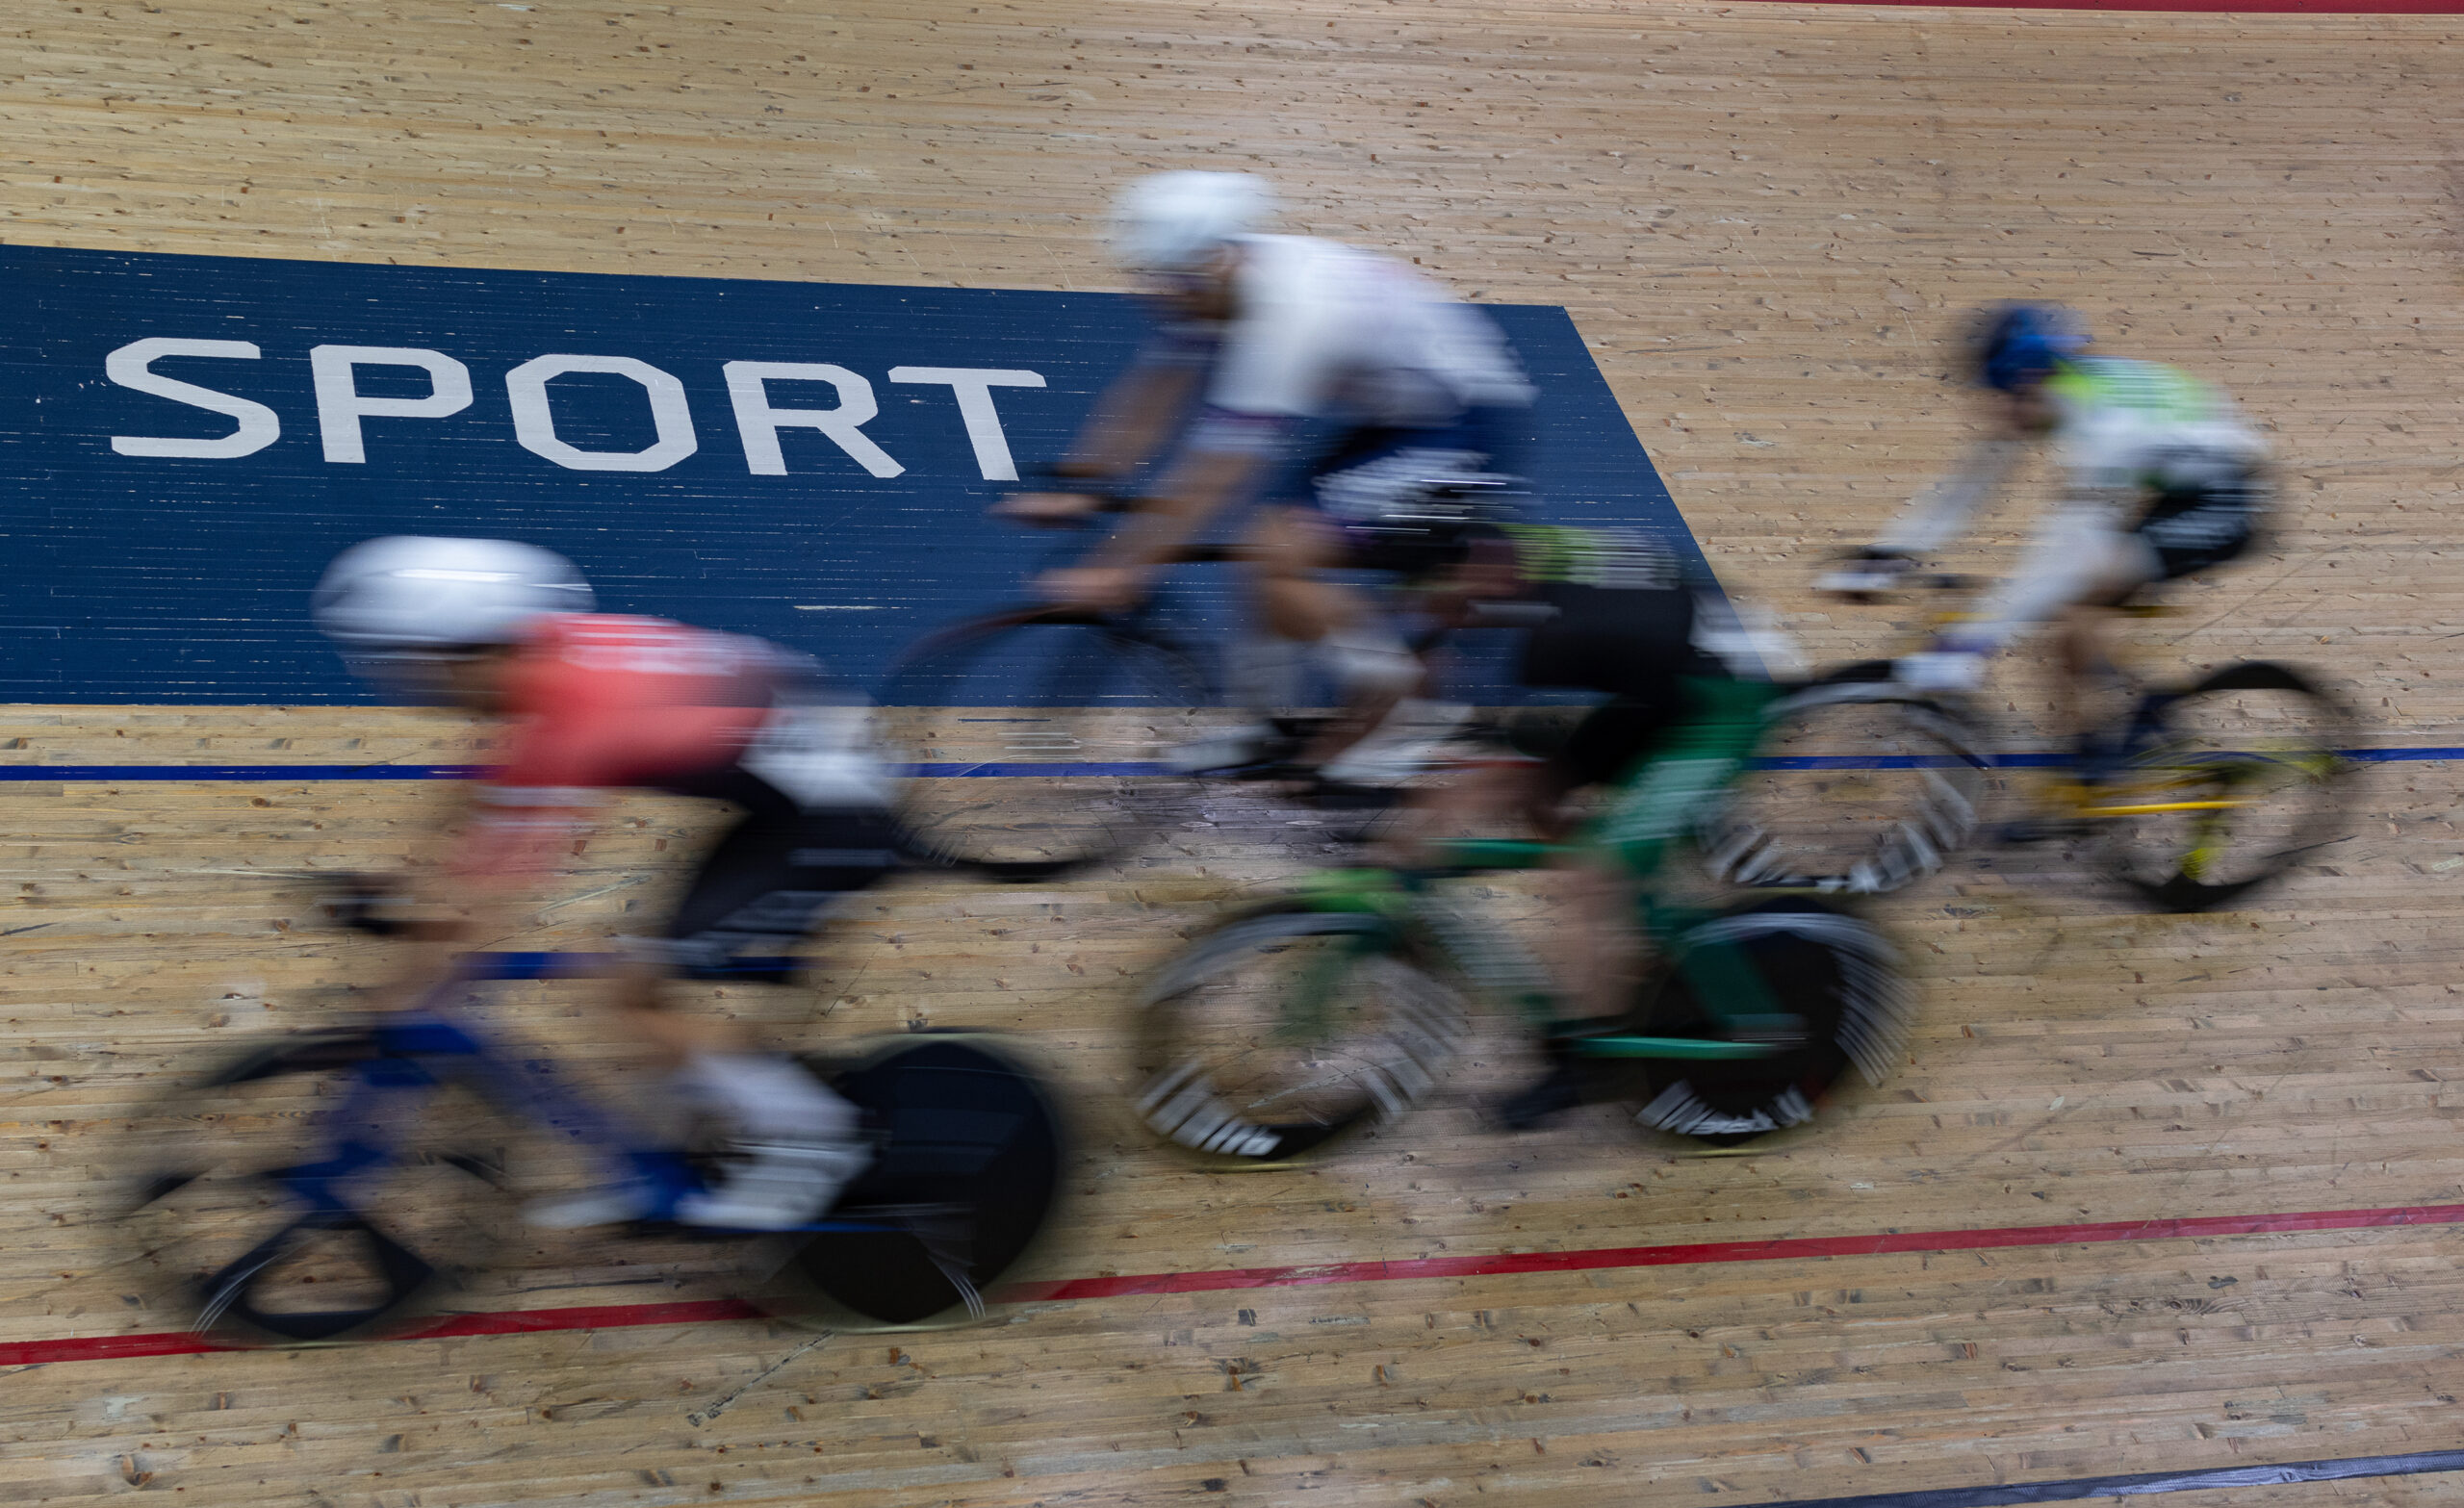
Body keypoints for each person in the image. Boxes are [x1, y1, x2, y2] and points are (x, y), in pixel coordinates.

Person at [312, 535, 902, 1231]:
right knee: (634, 982)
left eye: (414, 666)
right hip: (790, 804)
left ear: (469, 650)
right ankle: (659, 1167)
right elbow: (481, 792)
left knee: (628, 990)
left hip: (836, 818)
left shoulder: (577, 712)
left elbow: (496, 889)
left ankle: (816, 1145)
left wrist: (411, 981)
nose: (414, 686)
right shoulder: (550, 664)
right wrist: (406, 883)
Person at [1000, 169, 1537, 784]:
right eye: (1147, 276)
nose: (1156, 294)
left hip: (1466, 424)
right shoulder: (1212, 284)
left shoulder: (1290, 316)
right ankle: (1267, 725)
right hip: (1398, 418)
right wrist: (1078, 481)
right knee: (1263, 548)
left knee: (1279, 550)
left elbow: (1215, 473)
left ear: (1218, 260)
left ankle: (1406, 702)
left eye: (1169, 279)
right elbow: (1154, 391)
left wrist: (1121, 566)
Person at [1380, 525, 1777, 1130]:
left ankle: (1589, 1060)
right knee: (1547, 817)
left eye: (1440, 599)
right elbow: (1506, 771)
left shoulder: (1539, 631)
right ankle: (1627, 938)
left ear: (1483, 577)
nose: (1434, 616)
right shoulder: (1514, 589)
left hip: (1720, 707)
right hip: (1665, 685)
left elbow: (1490, 757)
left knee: (1592, 871)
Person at [1822, 303, 2272, 820]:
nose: (1997, 413)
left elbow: (2063, 556)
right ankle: (2090, 773)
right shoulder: (2060, 393)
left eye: (2003, 396)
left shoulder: (2102, 433)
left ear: (2032, 380)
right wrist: (1889, 553)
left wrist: (1971, 640)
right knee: (2069, 621)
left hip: (2224, 501)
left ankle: (2116, 752)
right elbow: (1971, 484)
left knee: (2079, 596)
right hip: (2171, 484)